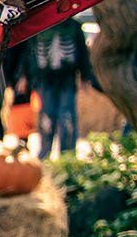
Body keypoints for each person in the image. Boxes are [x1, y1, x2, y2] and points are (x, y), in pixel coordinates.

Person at [15, 17, 97, 158]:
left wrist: (85, 76)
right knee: (47, 116)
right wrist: (23, 76)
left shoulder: (73, 26)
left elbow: (82, 52)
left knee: (67, 116)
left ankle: (67, 154)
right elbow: (29, 52)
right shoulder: (38, 25)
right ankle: (44, 152)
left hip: (67, 77)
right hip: (44, 78)